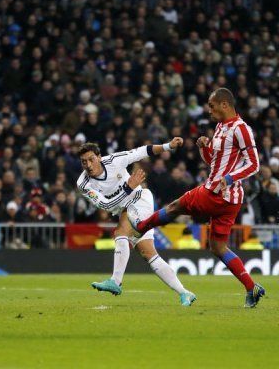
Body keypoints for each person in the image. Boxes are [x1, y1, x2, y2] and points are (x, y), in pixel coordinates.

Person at [129, 88, 265, 308]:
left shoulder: (242, 129)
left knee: (176, 206)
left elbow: (254, 163)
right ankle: (252, 288)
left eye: (212, 106)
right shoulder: (220, 127)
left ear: (224, 105)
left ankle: (140, 227)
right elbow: (214, 163)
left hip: (217, 193)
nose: (209, 111)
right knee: (218, 247)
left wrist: (229, 178)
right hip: (228, 199)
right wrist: (205, 149)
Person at [77, 141, 196, 306]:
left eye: (91, 159)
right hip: (125, 206)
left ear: (99, 157)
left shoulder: (114, 160)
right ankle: (185, 293)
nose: (88, 165)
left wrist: (168, 146)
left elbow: (141, 151)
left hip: (139, 199)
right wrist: (127, 187)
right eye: (84, 162)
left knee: (120, 233)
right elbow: (106, 205)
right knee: (149, 254)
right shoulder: (83, 184)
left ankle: (116, 281)